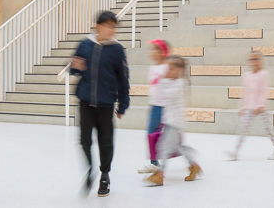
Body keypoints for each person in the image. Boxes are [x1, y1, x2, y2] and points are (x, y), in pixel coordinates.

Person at [70, 10, 131, 197]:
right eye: (108, 26)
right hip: (86, 102)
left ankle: (105, 175)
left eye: (114, 27)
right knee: (84, 141)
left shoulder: (117, 49)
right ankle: (90, 170)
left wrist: (123, 104)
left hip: (105, 104)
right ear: (98, 26)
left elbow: (123, 79)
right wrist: (75, 67)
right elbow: (75, 71)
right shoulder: (84, 45)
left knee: (106, 143)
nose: (112, 30)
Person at [145, 55, 202, 186]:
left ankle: (160, 175)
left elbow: (168, 95)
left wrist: (163, 81)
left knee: (164, 148)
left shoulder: (180, 83)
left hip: (175, 122)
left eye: (170, 69)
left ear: (179, 70)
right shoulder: (172, 81)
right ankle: (194, 165)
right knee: (177, 147)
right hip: (170, 120)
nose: (167, 72)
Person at [225, 51, 274, 161]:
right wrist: (242, 106)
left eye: (256, 59)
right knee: (243, 130)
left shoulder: (264, 74)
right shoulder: (246, 75)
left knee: (269, 130)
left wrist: (261, 105)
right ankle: (235, 152)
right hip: (249, 106)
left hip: (261, 107)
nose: (254, 61)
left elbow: (263, 90)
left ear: (260, 61)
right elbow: (245, 91)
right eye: (251, 59)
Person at [138, 39, 171, 174]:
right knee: (151, 134)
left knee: (167, 138)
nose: (151, 52)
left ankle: (190, 161)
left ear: (162, 52)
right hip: (154, 106)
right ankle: (154, 163)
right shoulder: (152, 68)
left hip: (165, 107)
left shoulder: (167, 68)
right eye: (150, 49)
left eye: (154, 49)